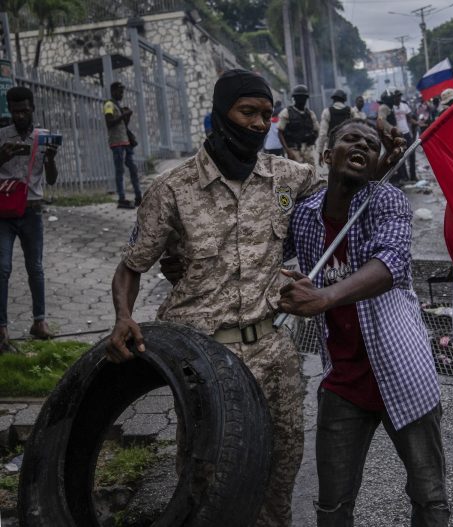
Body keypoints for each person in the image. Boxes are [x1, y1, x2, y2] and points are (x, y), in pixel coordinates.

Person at [106, 69, 326, 525]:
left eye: (267, 114)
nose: (259, 123)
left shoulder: (289, 176)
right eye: (248, 112)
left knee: (279, 478)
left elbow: (339, 192)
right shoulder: (173, 189)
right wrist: (123, 316)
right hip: (206, 358)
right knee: (208, 481)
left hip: (274, 353)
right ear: (219, 114)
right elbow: (131, 266)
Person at [278, 118, 450, 526]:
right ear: (326, 156)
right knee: (333, 505)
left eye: (370, 145)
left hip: (404, 374)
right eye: (350, 139)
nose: (361, 145)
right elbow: (262, 251)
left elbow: (392, 263)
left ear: (377, 163)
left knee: (430, 497)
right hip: (343, 384)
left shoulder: (385, 200)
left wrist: (325, 296)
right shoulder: (303, 216)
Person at [0, 86, 59, 352]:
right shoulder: (2, 136)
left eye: (24, 110)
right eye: (15, 111)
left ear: (32, 108)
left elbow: (52, 179)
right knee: (2, 269)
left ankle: (39, 321)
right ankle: (1, 327)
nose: (20, 116)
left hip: (32, 210)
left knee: (35, 268)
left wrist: (50, 159)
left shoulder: (43, 136)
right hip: (4, 212)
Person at [104, 81, 142, 209]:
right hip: (117, 143)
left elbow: (123, 125)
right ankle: (121, 199)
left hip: (126, 142)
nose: (122, 94)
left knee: (133, 169)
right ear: (113, 91)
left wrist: (127, 116)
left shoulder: (118, 105)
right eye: (120, 92)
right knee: (119, 170)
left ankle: (138, 196)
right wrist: (123, 115)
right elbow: (109, 122)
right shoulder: (109, 105)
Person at [278, 84, 320, 165]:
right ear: (294, 98)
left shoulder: (310, 114)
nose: (301, 100)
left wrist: (312, 141)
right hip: (294, 150)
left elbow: (317, 130)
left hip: (308, 150)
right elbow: (280, 132)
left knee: (310, 174)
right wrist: (287, 150)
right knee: (296, 175)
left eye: (303, 98)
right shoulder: (286, 113)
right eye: (299, 97)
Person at [316, 89, 353, 160]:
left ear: (333, 100)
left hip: (333, 148)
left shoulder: (327, 112)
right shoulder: (351, 111)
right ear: (344, 99)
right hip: (348, 148)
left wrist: (320, 152)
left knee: (333, 169)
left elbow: (323, 134)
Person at [392, 89, 417, 181]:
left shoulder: (404, 106)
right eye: (396, 96)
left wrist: (417, 123)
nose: (398, 97)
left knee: (411, 154)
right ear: (393, 97)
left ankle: (413, 176)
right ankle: (404, 177)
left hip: (406, 133)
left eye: (399, 96)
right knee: (400, 156)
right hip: (398, 136)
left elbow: (410, 119)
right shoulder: (391, 108)